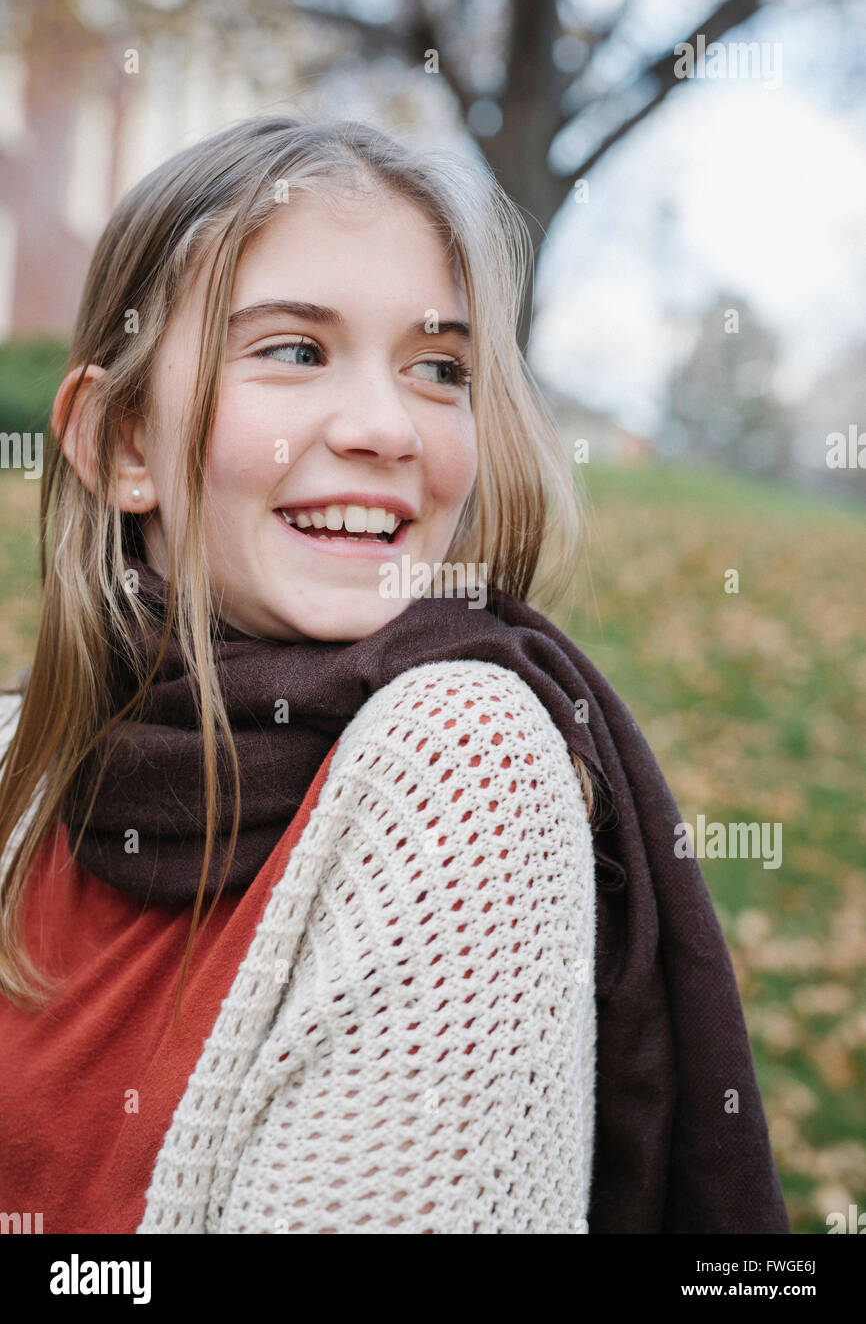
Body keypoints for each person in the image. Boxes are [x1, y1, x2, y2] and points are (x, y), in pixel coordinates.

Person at [0, 115, 788, 1235]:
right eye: (294, 349)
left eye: (437, 368)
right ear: (123, 443)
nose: (387, 427)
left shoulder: (460, 763)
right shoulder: (19, 772)